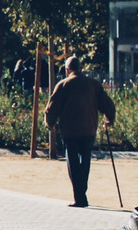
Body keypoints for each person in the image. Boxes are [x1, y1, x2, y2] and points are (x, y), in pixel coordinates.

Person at [45, 55, 116, 208]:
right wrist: (109, 119)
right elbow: (107, 104)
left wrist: (50, 123)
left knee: (73, 164)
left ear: (67, 69)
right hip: (89, 129)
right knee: (85, 162)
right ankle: (82, 191)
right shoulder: (93, 84)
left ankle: (79, 197)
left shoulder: (64, 84)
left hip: (70, 132)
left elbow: (52, 106)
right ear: (81, 68)